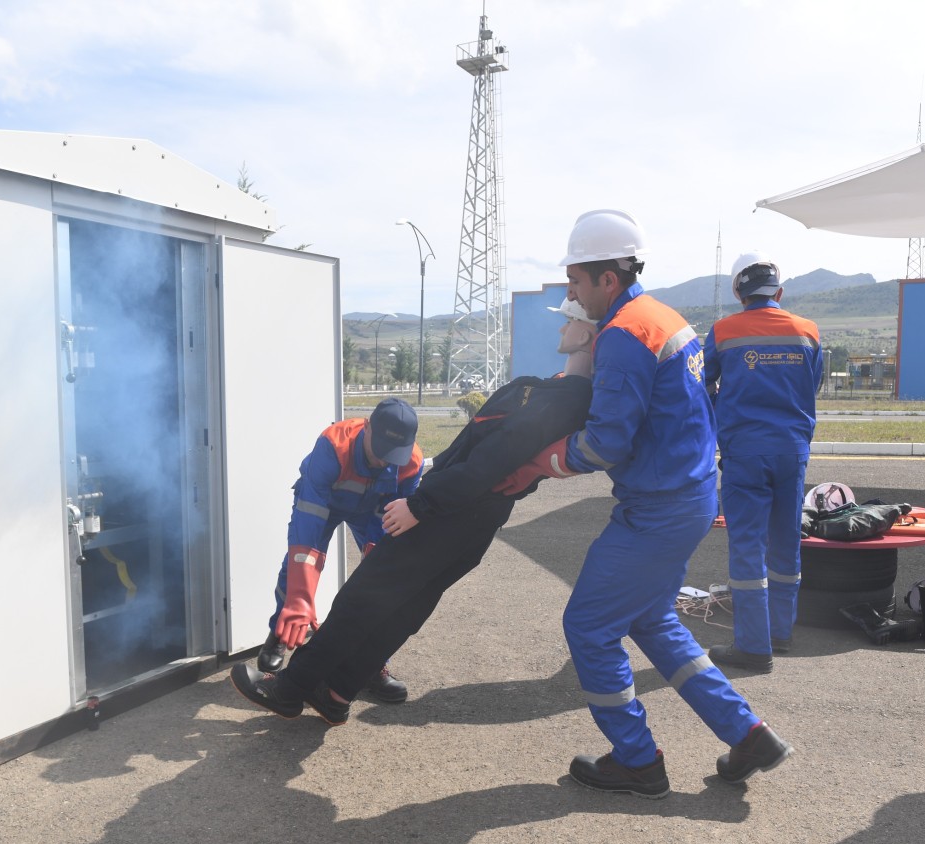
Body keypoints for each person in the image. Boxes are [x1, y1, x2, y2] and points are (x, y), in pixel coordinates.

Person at [503, 209, 793, 797]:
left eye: (577, 281)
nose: (571, 292)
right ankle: (748, 734)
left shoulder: (624, 335)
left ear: (609, 278)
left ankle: (636, 759)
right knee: (653, 621)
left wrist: (540, 461)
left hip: (657, 509)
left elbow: (607, 441)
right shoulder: (661, 316)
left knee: (587, 626)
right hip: (686, 494)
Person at [230, 301, 597, 724]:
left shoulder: (563, 399)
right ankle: (336, 691)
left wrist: (422, 504)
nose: (562, 327)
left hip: (452, 508)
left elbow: (491, 460)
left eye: (571, 320)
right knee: (406, 607)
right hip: (477, 518)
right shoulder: (562, 392)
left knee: (363, 595)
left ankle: (290, 690)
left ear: (586, 335)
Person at [256, 397, 423, 703]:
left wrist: (380, 558)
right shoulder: (332, 447)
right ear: (368, 427)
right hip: (325, 505)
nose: (385, 462)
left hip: (373, 512)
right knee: (297, 568)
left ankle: (370, 665)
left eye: (393, 455)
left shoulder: (410, 463)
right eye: (382, 449)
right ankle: (281, 634)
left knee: (382, 581)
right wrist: (299, 599)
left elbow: (394, 522)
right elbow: (308, 524)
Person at [702, 251, 824, 672]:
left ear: (738, 292)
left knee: (747, 545)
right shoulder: (808, 331)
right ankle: (780, 632)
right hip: (792, 450)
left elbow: (704, 387)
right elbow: (814, 384)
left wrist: (725, 406)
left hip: (745, 452)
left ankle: (753, 647)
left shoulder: (722, 331)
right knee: (786, 540)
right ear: (780, 291)